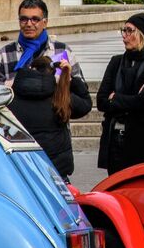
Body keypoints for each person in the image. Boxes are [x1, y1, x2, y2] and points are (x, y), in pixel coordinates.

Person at [9, 45, 93, 179]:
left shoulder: (12, 97)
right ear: (52, 72)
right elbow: (86, 104)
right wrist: (70, 78)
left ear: (31, 69)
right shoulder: (59, 98)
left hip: (23, 169)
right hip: (56, 170)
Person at [97, 12, 144, 173]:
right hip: (115, 139)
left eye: (129, 31)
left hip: (141, 141)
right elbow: (101, 101)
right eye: (124, 30)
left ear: (142, 34)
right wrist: (132, 99)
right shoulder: (116, 62)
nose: (124, 36)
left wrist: (116, 98)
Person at [0, 0, 69, 89]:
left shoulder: (62, 51)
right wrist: (13, 84)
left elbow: (79, 87)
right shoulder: (5, 54)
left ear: (45, 22)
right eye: (24, 19)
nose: (29, 24)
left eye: (35, 19)